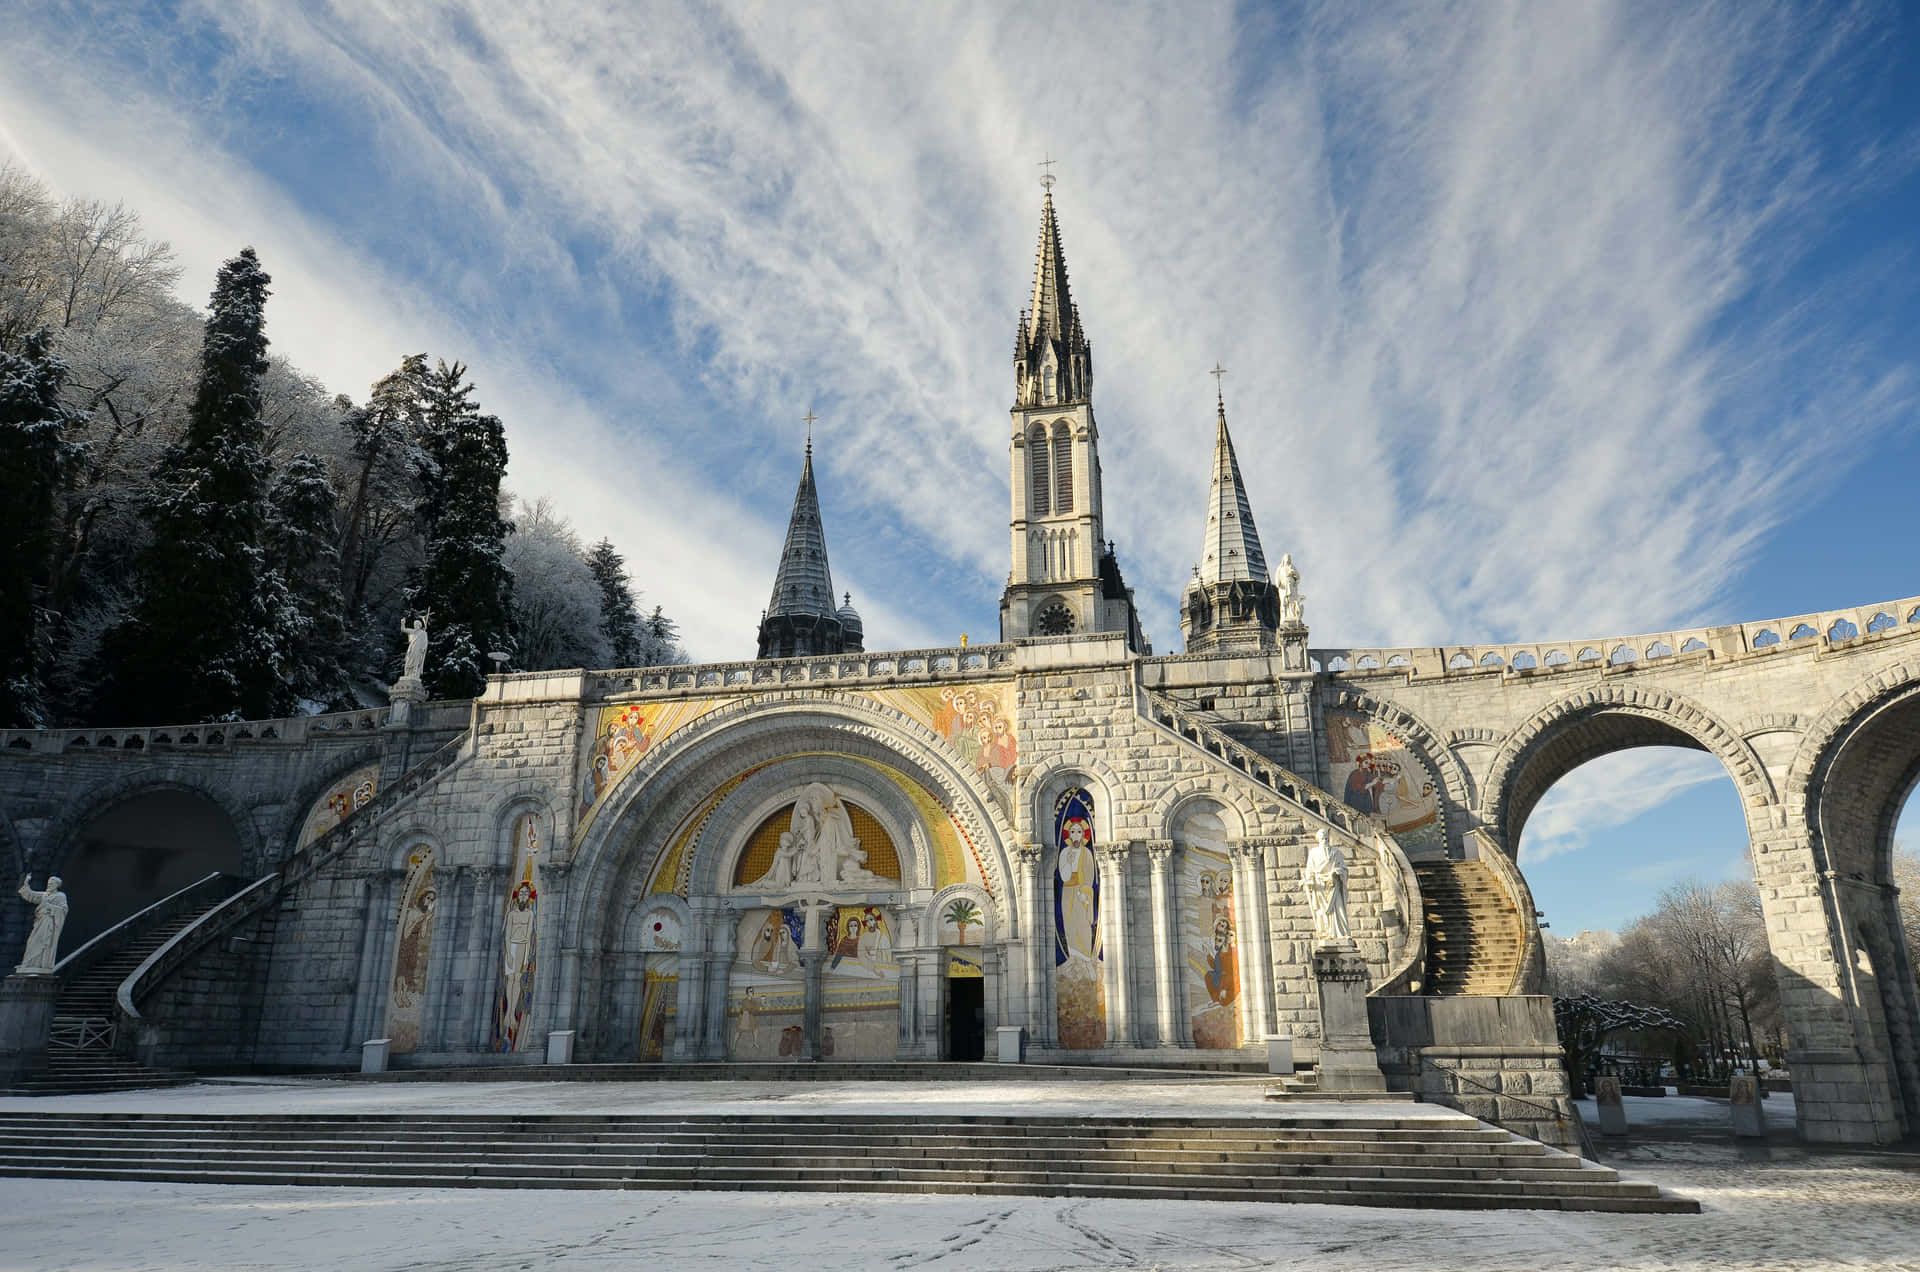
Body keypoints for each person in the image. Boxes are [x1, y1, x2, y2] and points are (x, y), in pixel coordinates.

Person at [1304, 829, 1352, 946]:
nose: (1324, 840)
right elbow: (1309, 869)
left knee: (1338, 909)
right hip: (1320, 885)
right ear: (1318, 840)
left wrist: (1336, 872)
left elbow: (1344, 868)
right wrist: (1308, 880)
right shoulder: (1313, 853)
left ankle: (1341, 933)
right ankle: (1326, 933)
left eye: (1326, 838)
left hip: (1334, 885)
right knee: (1322, 911)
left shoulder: (1336, 852)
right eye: (1322, 838)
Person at [14, 874, 69, 974]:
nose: (49, 885)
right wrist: (26, 884)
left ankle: (41, 964)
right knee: (32, 941)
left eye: (52, 883)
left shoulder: (60, 896)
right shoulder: (44, 895)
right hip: (40, 921)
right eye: (49, 883)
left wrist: (50, 907)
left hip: (49, 923)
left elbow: (63, 910)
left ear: (57, 885)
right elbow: (31, 895)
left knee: (44, 943)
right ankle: (30, 963)